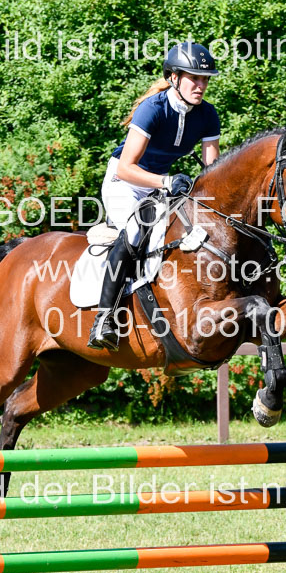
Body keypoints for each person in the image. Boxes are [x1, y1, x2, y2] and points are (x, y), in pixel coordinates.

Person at [88, 41, 222, 351]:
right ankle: (104, 318)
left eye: (205, 80)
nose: (201, 86)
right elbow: (126, 168)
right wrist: (167, 181)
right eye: (194, 78)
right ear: (174, 77)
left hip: (159, 186)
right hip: (125, 182)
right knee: (135, 231)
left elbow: (212, 170)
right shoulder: (153, 108)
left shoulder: (207, 114)